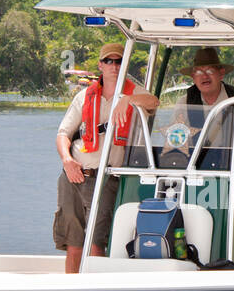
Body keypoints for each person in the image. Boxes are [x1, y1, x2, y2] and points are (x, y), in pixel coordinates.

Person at [54, 42, 159, 273]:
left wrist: (128, 100)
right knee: (73, 244)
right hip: (73, 174)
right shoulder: (84, 96)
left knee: (95, 242)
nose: (113, 66)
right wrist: (67, 160)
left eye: (119, 61)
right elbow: (63, 134)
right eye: (108, 61)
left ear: (124, 66)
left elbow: (154, 102)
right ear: (101, 65)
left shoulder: (135, 92)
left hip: (104, 178)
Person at [167, 46, 234, 172]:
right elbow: (174, 146)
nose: (204, 76)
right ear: (193, 77)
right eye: (198, 72)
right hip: (194, 175)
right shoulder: (184, 103)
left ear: (221, 74)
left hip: (232, 175)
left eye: (210, 70)